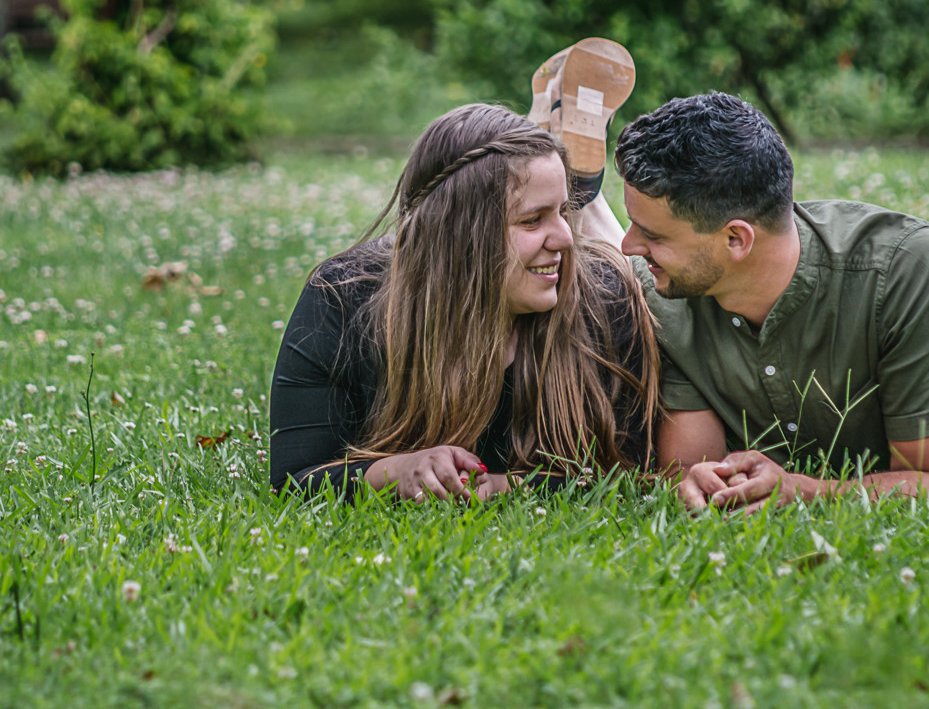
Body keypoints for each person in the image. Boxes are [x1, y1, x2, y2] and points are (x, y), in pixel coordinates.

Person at [612, 91, 929, 513]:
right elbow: (692, 467)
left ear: (736, 239)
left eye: (651, 234)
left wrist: (803, 491)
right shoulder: (661, 290)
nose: (628, 246)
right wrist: (695, 484)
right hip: (896, 368)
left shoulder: (909, 267)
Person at [269, 43, 657, 499]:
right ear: (461, 236)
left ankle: (582, 190)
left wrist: (504, 487)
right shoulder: (342, 297)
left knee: (654, 299)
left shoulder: (605, 298)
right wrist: (396, 471)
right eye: (532, 220)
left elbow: (634, 470)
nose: (566, 238)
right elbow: (295, 478)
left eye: (563, 213)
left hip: (620, 281)